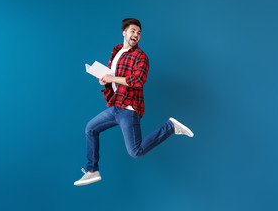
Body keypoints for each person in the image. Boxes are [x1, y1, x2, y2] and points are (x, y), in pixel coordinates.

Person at [74, 18, 194, 186]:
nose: (135, 35)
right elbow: (114, 76)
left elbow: (137, 80)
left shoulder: (141, 56)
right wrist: (106, 80)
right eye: (132, 31)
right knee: (90, 128)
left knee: (135, 151)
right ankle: (92, 170)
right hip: (116, 106)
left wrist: (112, 77)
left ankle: (170, 127)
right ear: (124, 32)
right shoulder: (116, 52)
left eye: (138, 33)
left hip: (129, 109)